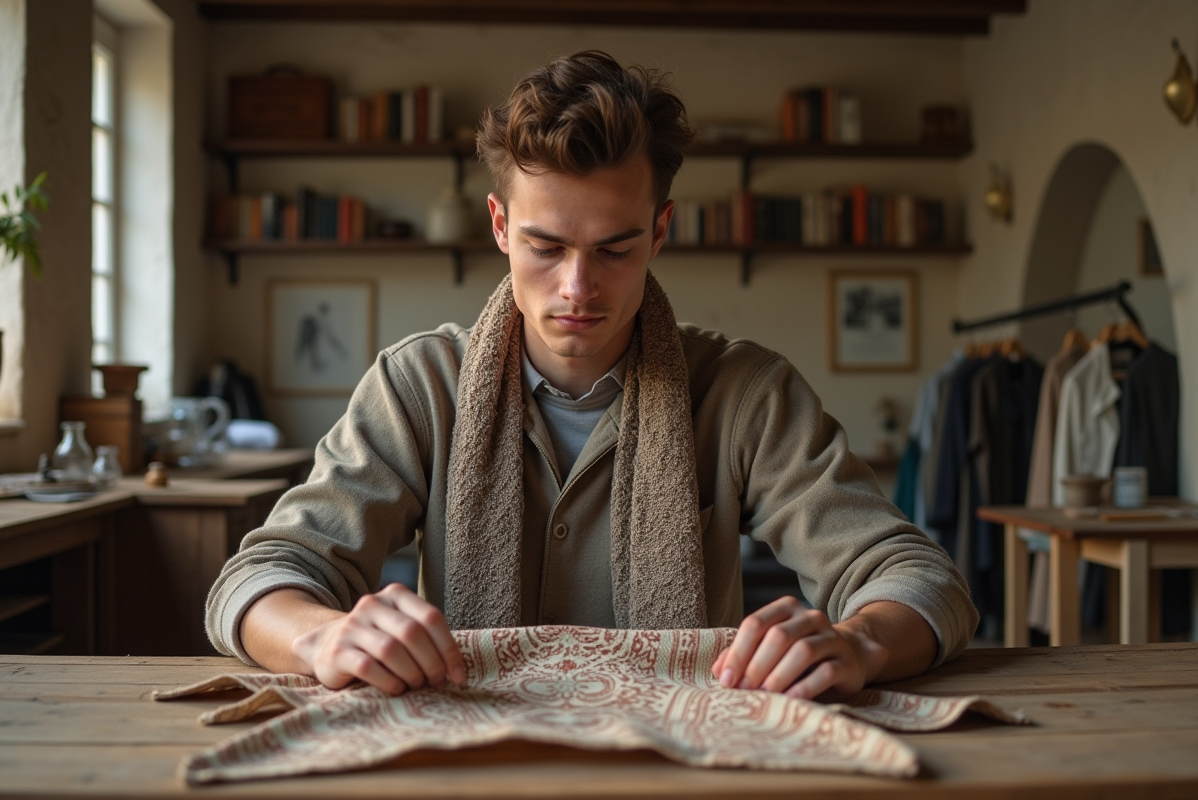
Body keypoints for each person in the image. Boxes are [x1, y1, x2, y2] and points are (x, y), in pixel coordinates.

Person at [206, 50, 976, 702]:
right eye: (545, 246)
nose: (578, 288)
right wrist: (325, 636)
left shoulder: (747, 394)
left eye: (614, 249)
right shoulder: (416, 387)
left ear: (661, 231)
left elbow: (918, 577)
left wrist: (862, 644)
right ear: (500, 226)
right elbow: (261, 579)